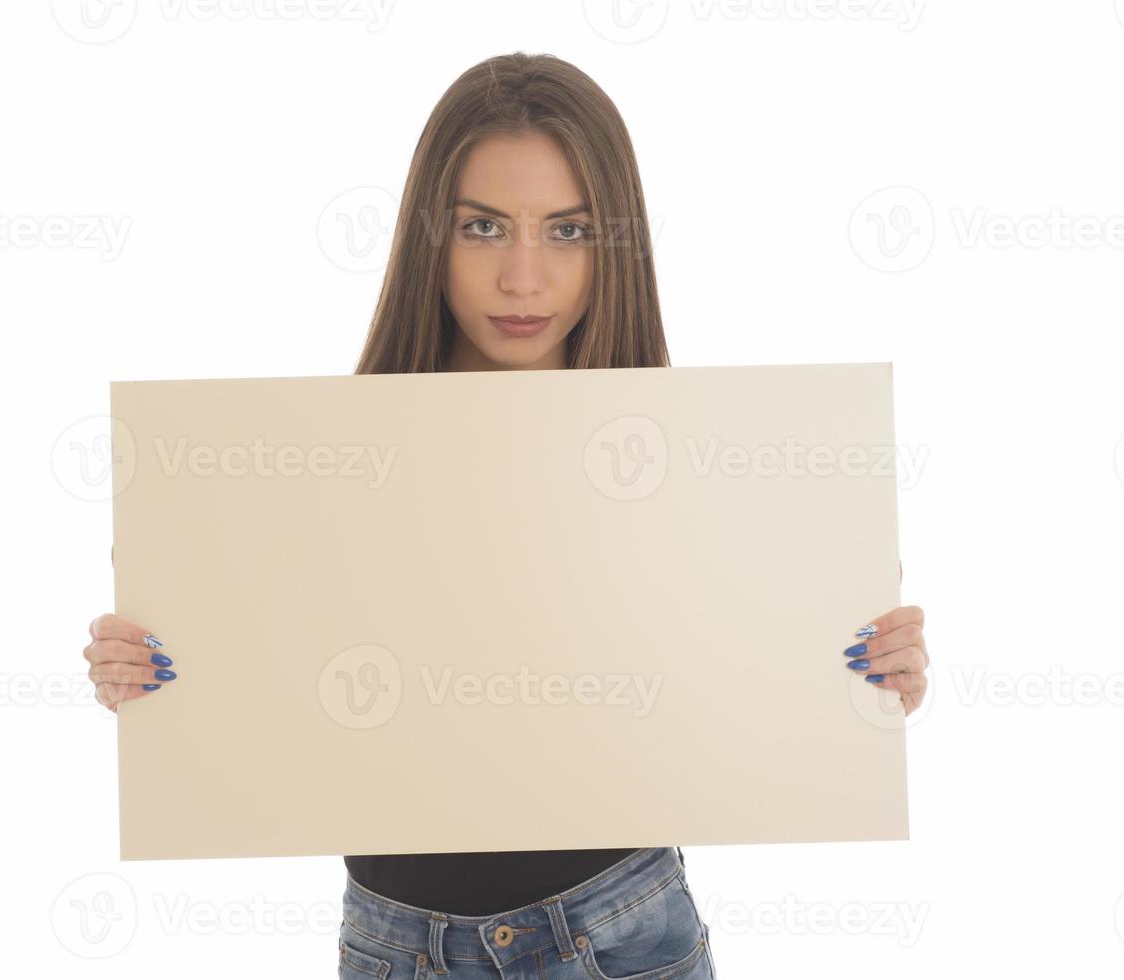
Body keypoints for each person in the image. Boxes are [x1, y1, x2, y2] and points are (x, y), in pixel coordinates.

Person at [82, 51, 931, 979]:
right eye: (483, 227)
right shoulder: (304, 473)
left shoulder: (694, 469)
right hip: (393, 943)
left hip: (621, 932)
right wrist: (156, 672)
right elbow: (253, 708)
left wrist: (865, 678)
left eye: (566, 230)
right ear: (427, 239)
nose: (524, 279)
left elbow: (744, 688)